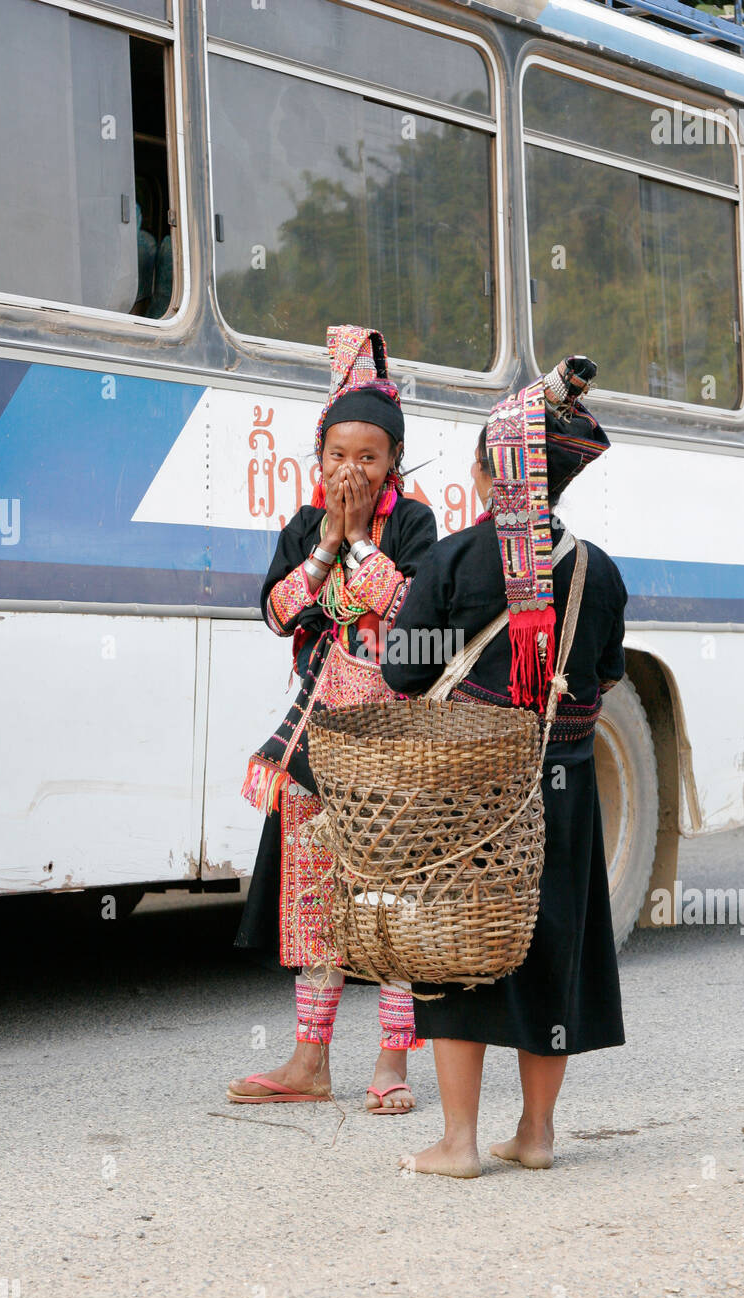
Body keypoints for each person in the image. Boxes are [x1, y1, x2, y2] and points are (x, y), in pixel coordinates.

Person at [380, 358, 628, 1174]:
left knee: (454, 945)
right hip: (565, 789)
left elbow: (404, 673)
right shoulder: (601, 571)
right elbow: (606, 675)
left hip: (467, 796)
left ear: (493, 472)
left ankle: (456, 1142)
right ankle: (536, 1134)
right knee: (550, 942)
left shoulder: (454, 561)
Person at [229, 326, 437, 1113]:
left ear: (393, 463)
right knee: (315, 900)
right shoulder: (299, 529)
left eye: (368, 457)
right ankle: (309, 1062)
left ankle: (392, 1066)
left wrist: (355, 543)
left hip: (391, 747)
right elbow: (281, 615)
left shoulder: (414, 527)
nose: (349, 470)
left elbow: (413, 612)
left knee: (386, 900)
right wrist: (322, 550)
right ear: (319, 458)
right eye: (336, 456)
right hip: (314, 745)